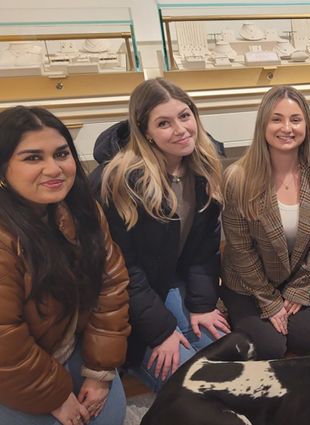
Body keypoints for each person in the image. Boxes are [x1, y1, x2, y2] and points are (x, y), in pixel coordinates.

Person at [91, 78, 228, 391]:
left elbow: (204, 249)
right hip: (125, 301)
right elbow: (120, 272)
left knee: (226, 359)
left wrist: (203, 303)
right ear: (146, 133)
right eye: (164, 123)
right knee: (192, 386)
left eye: (184, 116)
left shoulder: (202, 165)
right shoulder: (117, 182)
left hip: (169, 282)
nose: (180, 129)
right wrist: (161, 332)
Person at [0, 106, 130, 425]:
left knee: (109, 417)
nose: (54, 169)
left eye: (61, 153)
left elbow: (111, 286)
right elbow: (4, 336)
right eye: (33, 158)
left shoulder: (83, 210)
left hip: (68, 344)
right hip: (13, 364)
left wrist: (100, 371)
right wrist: (55, 396)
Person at [221, 85, 310, 360]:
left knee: (308, 340)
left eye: (295, 119)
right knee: (271, 348)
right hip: (249, 284)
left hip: (296, 276)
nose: (287, 128)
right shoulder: (237, 178)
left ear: (306, 125)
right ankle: (231, 308)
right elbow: (240, 250)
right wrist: (270, 303)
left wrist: (300, 289)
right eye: (276, 119)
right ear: (263, 123)